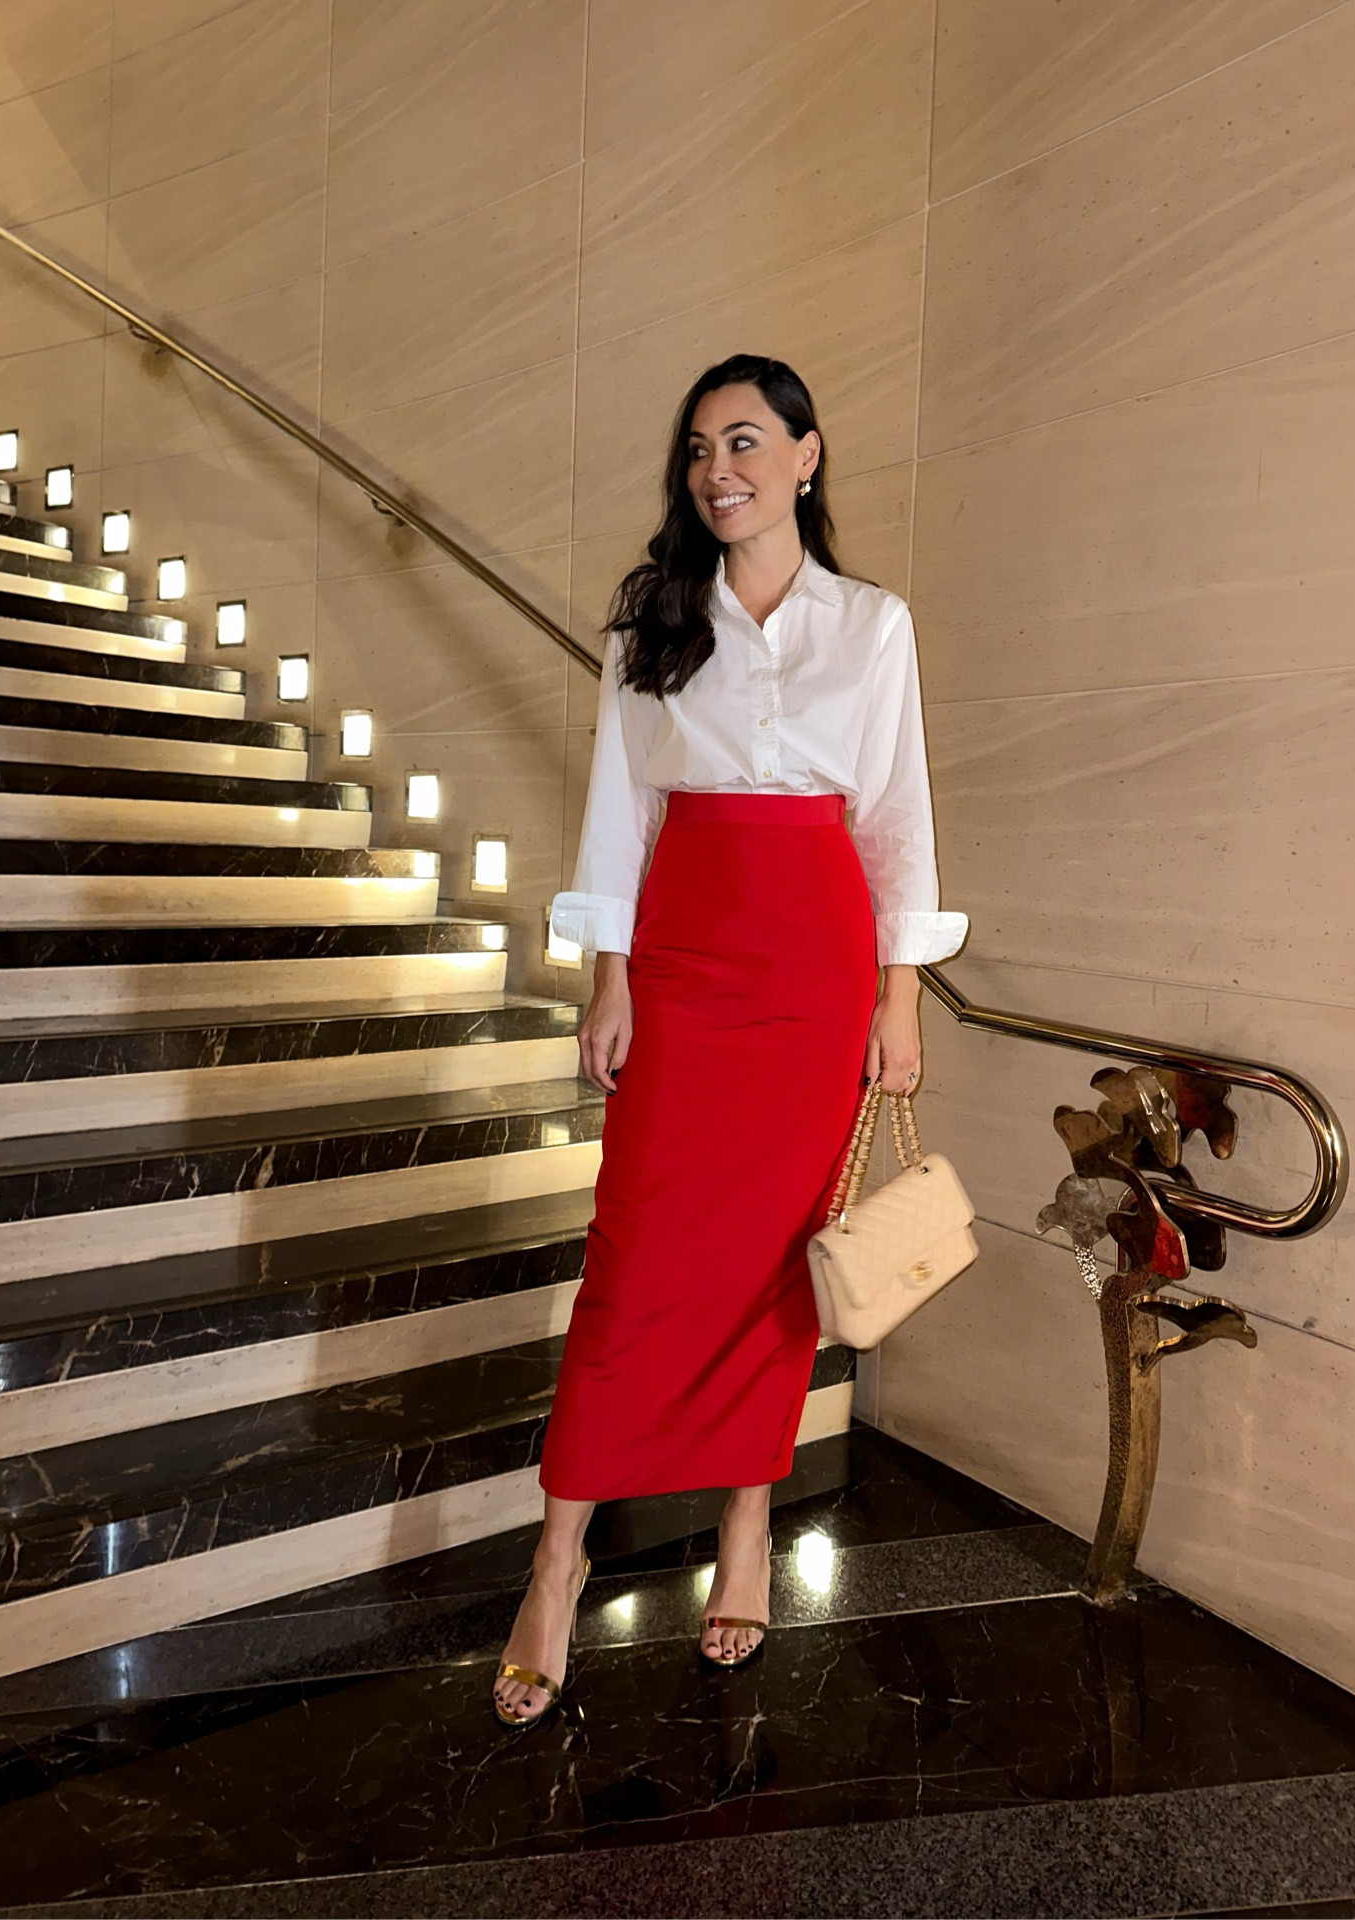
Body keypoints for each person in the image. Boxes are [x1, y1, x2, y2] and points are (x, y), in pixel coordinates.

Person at [492, 353, 967, 1727]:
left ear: (808, 458)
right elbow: (615, 814)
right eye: (701, 448)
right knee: (633, 1252)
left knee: (773, 1265)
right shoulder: (650, 622)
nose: (720, 471)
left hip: (815, 966)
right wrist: (608, 976)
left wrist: (899, 1000)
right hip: (687, 956)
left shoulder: (872, 625)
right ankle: (559, 1556)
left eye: (747, 443)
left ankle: (745, 1527)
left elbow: (896, 821)